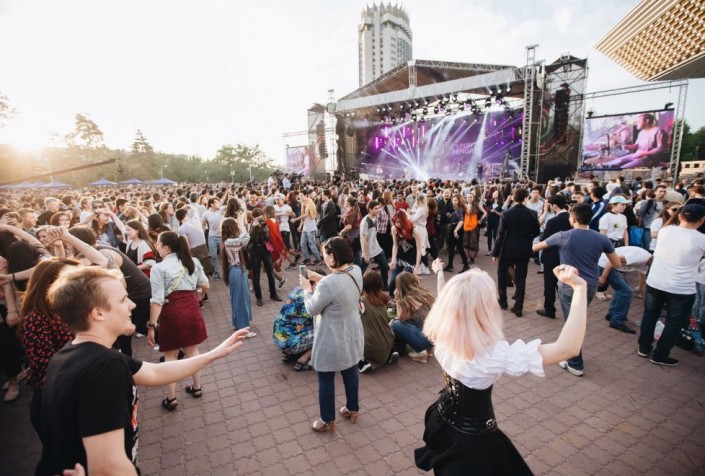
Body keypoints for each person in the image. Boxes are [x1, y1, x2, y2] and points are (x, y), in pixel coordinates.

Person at [37, 266, 251, 475]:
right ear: (98, 313)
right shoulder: (104, 367)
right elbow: (109, 468)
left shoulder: (72, 354)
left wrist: (214, 354)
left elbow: (156, 373)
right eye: (123, 299)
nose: (132, 305)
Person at [414, 265, 588, 475]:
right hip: (471, 441)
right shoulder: (490, 356)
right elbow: (568, 348)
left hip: (440, 420)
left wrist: (440, 273)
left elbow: (447, 299)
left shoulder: (444, 333)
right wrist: (580, 289)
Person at [533, 203, 621, 377]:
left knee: (571, 322)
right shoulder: (601, 238)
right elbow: (617, 263)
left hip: (568, 285)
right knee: (577, 318)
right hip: (590, 286)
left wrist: (535, 240)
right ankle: (572, 356)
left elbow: (536, 247)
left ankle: (575, 363)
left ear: (572, 219)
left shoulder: (564, 235)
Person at [299, 237, 364, 432]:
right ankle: (353, 409)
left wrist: (307, 290)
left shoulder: (327, 284)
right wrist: (320, 278)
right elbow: (340, 285)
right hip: (351, 332)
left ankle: (327, 420)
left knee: (326, 377)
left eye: (325, 255)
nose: (323, 257)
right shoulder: (356, 270)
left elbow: (312, 309)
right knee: (350, 370)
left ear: (333, 257)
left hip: (331, 337)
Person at [18, 258, 79, 439]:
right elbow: (46, 367)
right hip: (58, 401)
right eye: (70, 278)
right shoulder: (36, 319)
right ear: (48, 284)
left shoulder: (68, 308)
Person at [148, 231, 210, 410]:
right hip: (192, 309)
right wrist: (200, 292)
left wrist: (151, 326)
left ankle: (171, 398)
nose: (156, 246)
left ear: (166, 248)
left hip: (171, 313)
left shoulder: (158, 268)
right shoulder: (193, 261)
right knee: (192, 351)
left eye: (158, 243)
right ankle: (197, 388)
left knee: (170, 356)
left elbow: (157, 301)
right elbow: (205, 285)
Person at [638, 204, 705, 366]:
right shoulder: (701, 239)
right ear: (702, 220)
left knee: (650, 315)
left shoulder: (665, 230)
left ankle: (644, 348)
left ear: (680, 216)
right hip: (682, 288)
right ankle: (659, 355)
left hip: (655, 282)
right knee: (673, 323)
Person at [492, 188, 541, 317]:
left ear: (513, 198)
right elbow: (536, 232)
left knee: (502, 274)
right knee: (521, 277)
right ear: (525, 198)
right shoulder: (532, 213)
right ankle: (518, 307)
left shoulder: (506, 214)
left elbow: (500, 235)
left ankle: (503, 301)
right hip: (524, 249)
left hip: (507, 248)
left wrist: (495, 253)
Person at [272, 270, 327, 371]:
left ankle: (289, 353)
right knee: (326, 332)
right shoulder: (312, 299)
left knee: (302, 324)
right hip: (290, 342)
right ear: (315, 284)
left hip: (278, 336)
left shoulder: (297, 289)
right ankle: (303, 359)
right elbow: (321, 322)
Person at [598, 246, 653, 334]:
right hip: (604, 264)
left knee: (624, 288)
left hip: (611, 266)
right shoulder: (642, 256)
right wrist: (603, 277)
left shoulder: (646, 264)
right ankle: (617, 321)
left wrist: (647, 305)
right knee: (626, 291)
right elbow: (612, 261)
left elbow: (643, 285)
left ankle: (612, 314)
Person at [536, 194, 572, 319]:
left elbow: (545, 240)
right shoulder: (571, 218)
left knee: (550, 285)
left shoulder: (553, 221)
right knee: (565, 285)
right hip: (567, 257)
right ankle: (568, 309)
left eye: (550, 205)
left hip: (552, 257)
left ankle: (549, 309)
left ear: (555, 206)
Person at [390, 271, 435, 363]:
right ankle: (426, 349)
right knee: (409, 321)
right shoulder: (423, 293)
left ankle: (420, 352)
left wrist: (397, 298)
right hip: (433, 336)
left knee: (395, 324)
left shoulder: (408, 299)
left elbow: (400, 318)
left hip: (424, 338)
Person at [221, 217, 255, 337]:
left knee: (237, 299)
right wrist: (241, 223)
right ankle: (244, 329)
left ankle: (238, 324)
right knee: (241, 300)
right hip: (237, 271)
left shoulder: (228, 241)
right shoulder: (230, 241)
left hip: (235, 271)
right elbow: (246, 238)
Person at [357, 270, 397, 373]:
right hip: (388, 340)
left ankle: (364, 363)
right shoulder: (387, 298)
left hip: (370, 345)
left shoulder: (361, 301)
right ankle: (389, 354)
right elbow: (393, 316)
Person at [249, 208, 282, 306]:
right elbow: (251, 239)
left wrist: (262, 227)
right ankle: (259, 298)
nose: (259, 219)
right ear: (253, 218)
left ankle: (273, 294)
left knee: (270, 273)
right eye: (257, 218)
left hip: (265, 250)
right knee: (256, 275)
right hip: (255, 251)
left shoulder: (265, 224)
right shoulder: (251, 225)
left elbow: (267, 238)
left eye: (261, 217)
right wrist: (254, 227)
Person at [360, 200, 389, 289]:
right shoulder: (365, 221)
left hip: (376, 247)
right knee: (361, 271)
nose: (378, 210)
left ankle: (384, 285)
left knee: (385, 266)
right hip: (367, 249)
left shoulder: (375, 218)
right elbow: (363, 239)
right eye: (376, 209)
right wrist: (366, 254)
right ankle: (357, 286)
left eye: (379, 208)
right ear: (370, 209)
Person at [445, 195, 469, 272]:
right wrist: (450, 215)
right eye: (453, 200)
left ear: (459, 201)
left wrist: (455, 231)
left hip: (456, 229)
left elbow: (461, 220)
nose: (453, 202)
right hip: (456, 228)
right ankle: (450, 265)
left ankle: (465, 266)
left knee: (458, 248)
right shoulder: (457, 208)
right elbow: (457, 218)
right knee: (453, 248)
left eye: (455, 200)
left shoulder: (459, 209)